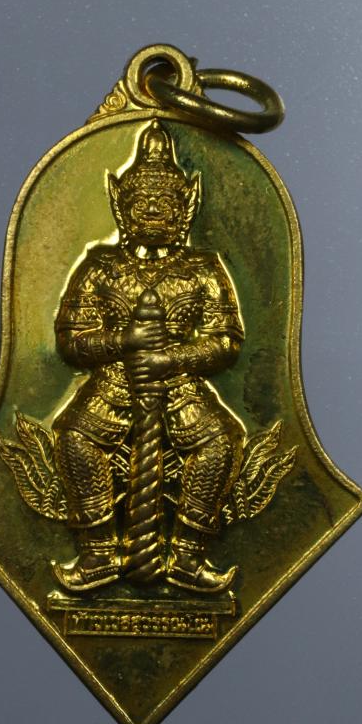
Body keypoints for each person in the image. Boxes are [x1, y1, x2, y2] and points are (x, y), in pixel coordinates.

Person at [52, 119, 245, 593]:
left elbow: (225, 340)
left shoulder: (203, 268)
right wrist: (125, 342)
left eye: (165, 203)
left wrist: (171, 359)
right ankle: (99, 553)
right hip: (114, 382)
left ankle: (188, 556)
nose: (154, 210)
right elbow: (72, 340)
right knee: (74, 436)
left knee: (221, 442)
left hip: (179, 383)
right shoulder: (100, 266)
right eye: (142, 202)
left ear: (185, 209)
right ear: (122, 207)